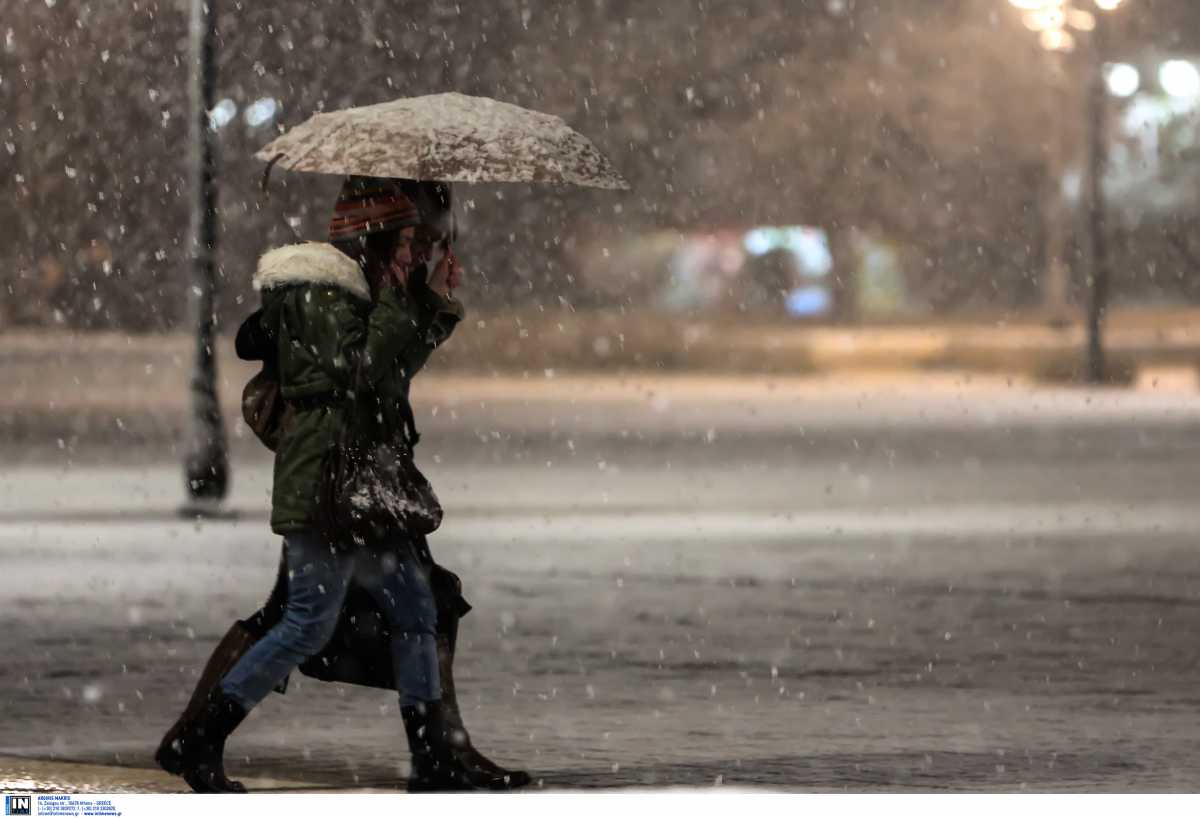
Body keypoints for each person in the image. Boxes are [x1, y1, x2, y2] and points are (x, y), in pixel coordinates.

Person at [156, 177, 525, 793]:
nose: (413, 253)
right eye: (405, 243)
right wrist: (406, 305)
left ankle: (432, 758)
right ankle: (200, 738)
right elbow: (360, 369)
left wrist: (431, 304)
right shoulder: (318, 294)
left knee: (418, 610)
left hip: (364, 486)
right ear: (373, 242)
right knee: (306, 622)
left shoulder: (363, 293)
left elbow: (391, 371)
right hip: (329, 485)